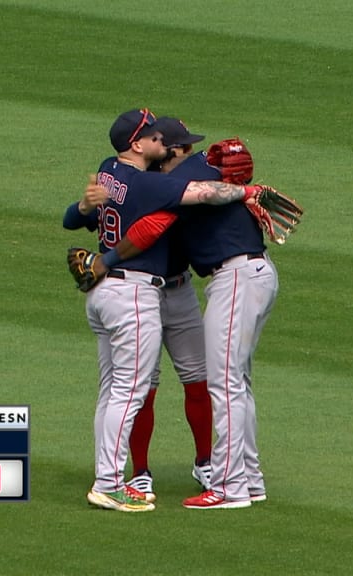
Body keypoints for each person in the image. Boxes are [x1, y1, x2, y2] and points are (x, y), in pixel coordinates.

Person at [65, 109, 275, 512]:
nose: (172, 146)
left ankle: (218, 470)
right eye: (161, 140)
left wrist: (85, 211)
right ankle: (120, 479)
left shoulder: (109, 171)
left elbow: (71, 218)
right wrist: (248, 191)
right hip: (134, 291)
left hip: (128, 290)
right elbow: (184, 207)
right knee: (138, 390)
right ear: (141, 145)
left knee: (123, 389)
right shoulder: (149, 185)